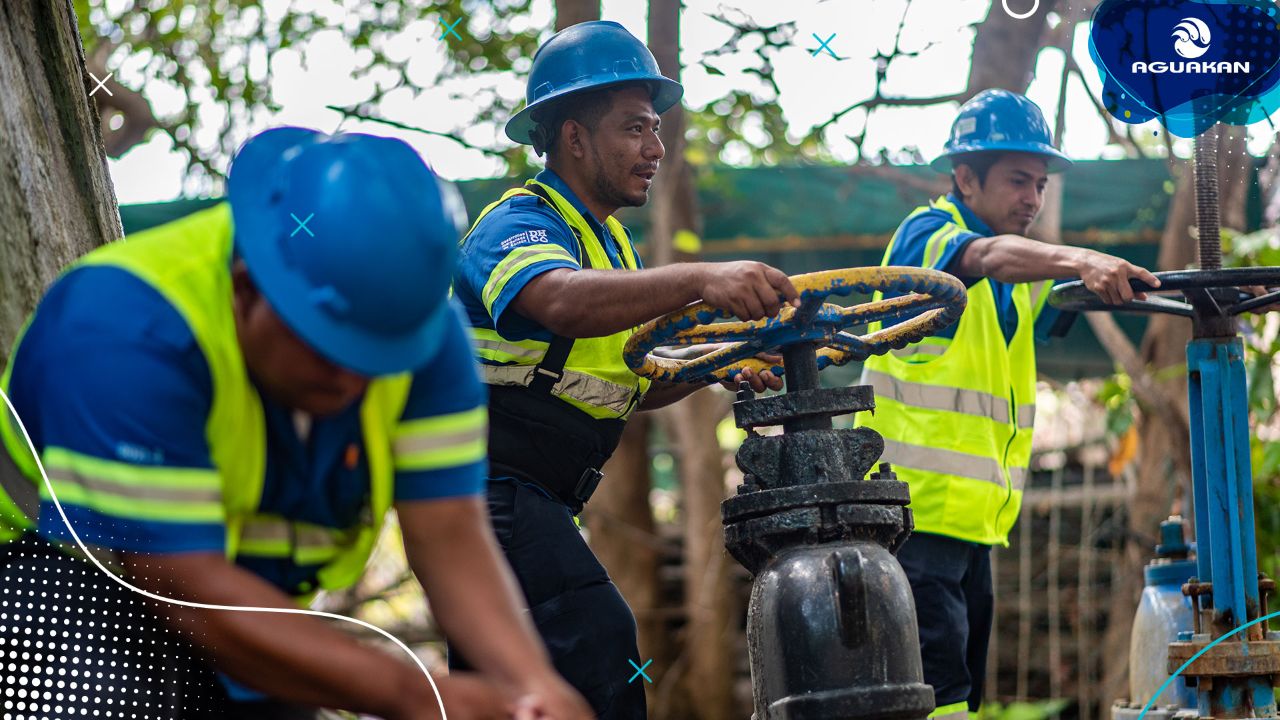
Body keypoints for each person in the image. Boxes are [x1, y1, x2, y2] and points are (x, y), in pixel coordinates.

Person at [0, 127, 592, 720]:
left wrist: (531, 688)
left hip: (250, 614)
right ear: (246, 289)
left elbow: (450, 531)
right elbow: (180, 586)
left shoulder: (420, 344)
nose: (351, 379)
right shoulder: (120, 330)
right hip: (57, 598)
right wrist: (417, 696)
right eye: (326, 348)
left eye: (374, 360)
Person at [449, 20, 798, 719]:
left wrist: (716, 363)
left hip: (535, 501)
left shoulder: (610, 249)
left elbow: (629, 383)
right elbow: (555, 301)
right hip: (489, 493)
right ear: (574, 138)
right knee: (599, 645)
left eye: (657, 128)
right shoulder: (520, 222)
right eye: (636, 128)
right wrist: (701, 278)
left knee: (521, 688)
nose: (656, 148)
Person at [855, 89, 1160, 720]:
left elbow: (1043, 290)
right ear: (965, 177)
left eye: (1041, 184)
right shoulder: (927, 236)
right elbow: (988, 257)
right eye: (1019, 180)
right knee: (935, 699)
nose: (1034, 197)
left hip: (971, 528)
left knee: (961, 696)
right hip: (910, 520)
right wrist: (1082, 256)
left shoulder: (1012, 288)